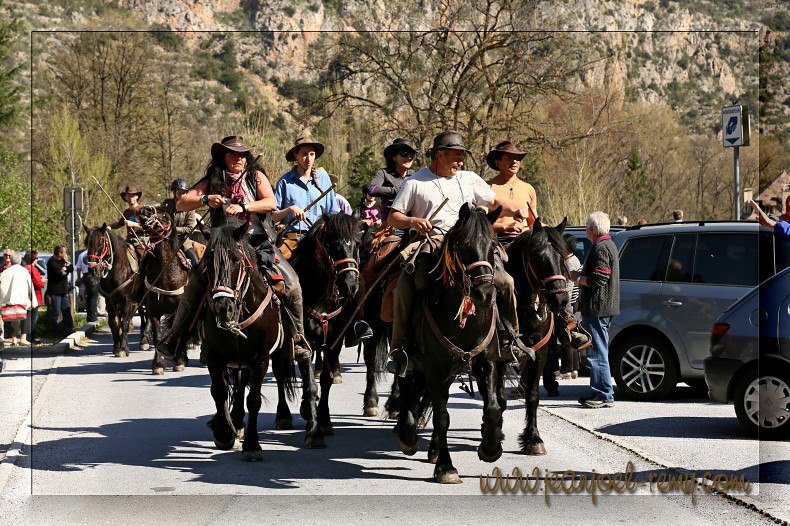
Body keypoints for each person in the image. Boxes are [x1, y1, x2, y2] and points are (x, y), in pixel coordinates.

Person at [386, 131, 530, 375]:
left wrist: (515, 209)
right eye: (456, 157)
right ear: (439, 155)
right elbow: (393, 217)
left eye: (462, 157)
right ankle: (400, 349)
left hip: (469, 244)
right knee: (404, 288)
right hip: (434, 241)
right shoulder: (415, 182)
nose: (460, 162)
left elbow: (495, 202)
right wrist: (413, 221)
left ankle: (510, 340)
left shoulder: (469, 178)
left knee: (506, 281)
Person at [159, 135, 311, 363]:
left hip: (257, 242)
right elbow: (182, 203)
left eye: (242, 154)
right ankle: (175, 338)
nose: (238, 158)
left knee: (293, 284)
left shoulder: (255, 176)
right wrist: (207, 199)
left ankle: (297, 339)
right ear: (223, 157)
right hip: (222, 244)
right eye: (233, 153)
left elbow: (270, 203)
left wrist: (244, 206)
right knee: (195, 284)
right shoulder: (214, 178)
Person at [577, 212, 620, 408]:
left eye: (587, 227)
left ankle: (603, 394)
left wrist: (577, 279)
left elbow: (599, 278)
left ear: (592, 230)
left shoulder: (601, 248)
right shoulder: (608, 245)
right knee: (599, 350)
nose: (586, 231)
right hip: (602, 307)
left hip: (598, 308)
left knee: (597, 352)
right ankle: (600, 392)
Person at [273, 134, 339, 259]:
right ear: (295, 155)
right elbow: (272, 217)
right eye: (304, 154)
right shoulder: (284, 182)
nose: (308, 159)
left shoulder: (324, 179)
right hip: (293, 238)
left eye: (312, 154)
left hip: (320, 239)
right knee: (276, 264)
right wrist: (290, 209)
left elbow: (333, 212)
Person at [485, 141, 537, 240]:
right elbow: (479, 225)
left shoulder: (528, 188)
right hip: (497, 243)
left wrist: (553, 231)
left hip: (525, 243)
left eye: (517, 158)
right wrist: (505, 227)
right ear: (497, 162)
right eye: (509, 158)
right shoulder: (487, 188)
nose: (514, 161)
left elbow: (533, 223)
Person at [367, 138, 418, 221]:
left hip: (413, 222)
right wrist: (398, 191)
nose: (408, 158)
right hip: (391, 224)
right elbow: (372, 190)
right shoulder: (383, 173)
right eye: (404, 154)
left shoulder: (416, 174)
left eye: (411, 155)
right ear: (394, 157)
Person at [1, 252, 37, 346]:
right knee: (26, 316)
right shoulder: (24, 271)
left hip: (9, 299)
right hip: (23, 299)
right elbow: (30, 285)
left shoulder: (5, 272)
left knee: (13, 318)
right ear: (20, 261)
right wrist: (33, 300)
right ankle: (23, 338)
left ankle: (14, 340)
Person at [162, 178, 200, 267]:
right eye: (179, 193)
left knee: (195, 261)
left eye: (184, 193)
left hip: (182, 240)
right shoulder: (166, 204)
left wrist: (173, 229)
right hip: (165, 238)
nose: (182, 196)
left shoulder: (191, 207)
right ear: (174, 193)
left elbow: (190, 228)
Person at [46, 245, 74, 336]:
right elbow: (61, 274)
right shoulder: (52, 262)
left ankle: (68, 330)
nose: (65, 254)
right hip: (55, 292)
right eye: (64, 252)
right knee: (55, 312)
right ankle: (53, 332)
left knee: (67, 311)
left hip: (64, 291)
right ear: (60, 253)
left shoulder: (63, 261)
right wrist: (65, 269)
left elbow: (71, 268)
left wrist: (65, 268)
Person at [23, 253, 45, 342]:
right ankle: (32, 337)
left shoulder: (24, 269)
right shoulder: (33, 269)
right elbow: (37, 283)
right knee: (33, 318)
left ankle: (27, 336)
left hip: (26, 296)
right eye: (37, 258)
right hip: (35, 296)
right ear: (34, 259)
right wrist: (42, 281)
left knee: (28, 317)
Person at [75, 249, 99, 322]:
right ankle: (92, 318)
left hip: (85, 276)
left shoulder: (82, 254)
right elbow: (93, 264)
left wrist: (79, 278)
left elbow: (78, 268)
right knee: (93, 297)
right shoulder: (95, 253)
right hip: (92, 275)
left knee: (89, 297)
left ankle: (90, 316)